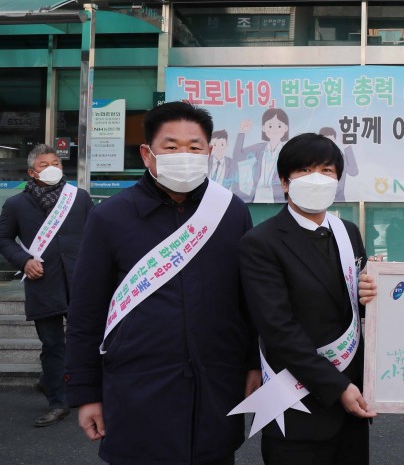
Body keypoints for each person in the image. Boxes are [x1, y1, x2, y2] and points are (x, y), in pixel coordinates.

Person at [65, 101, 261, 464]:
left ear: (209, 152)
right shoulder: (110, 217)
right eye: (171, 147)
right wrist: (85, 393)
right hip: (138, 390)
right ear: (147, 154)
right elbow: (85, 312)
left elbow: (246, 300)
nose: (184, 155)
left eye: (194, 147)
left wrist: (253, 364)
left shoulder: (231, 211)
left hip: (215, 388)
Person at [237, 133, 376, 465]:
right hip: (297, 407)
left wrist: (370, 294)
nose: (317, 179)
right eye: (305, 170)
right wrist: (337, 387)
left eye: (326, 170)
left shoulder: (348, 232)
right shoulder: (261, 242)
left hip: (352, 407)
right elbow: (278, 328)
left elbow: (351, 307)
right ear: (285, 182)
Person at [0, 144, 94, 427]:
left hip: (80, 281)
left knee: (85, 339)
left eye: (56, 163)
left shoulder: (78, 198)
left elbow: (96, 233)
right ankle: (58, 402)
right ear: (32, 172)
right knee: (52, 344)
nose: (52, 168)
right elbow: (4, 239)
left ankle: (64, 384)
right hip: (43, 282)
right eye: (44, 164)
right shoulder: (16, 204)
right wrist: (24, 261)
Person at [234, 108, 290, 203]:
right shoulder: (259, 149)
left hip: (280, 199)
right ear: (264, 128)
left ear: (285, 128)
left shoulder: (288, 151)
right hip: (256, 197)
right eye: (270, 126)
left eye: (279, 126)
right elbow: (238, 155)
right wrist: (242, 133)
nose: (274, 130)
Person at [318, 127, 359, 202]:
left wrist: (346, 146)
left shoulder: (341, 158)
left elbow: (353, 172)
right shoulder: (314, 159)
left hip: (339, 202)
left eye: (331, 140)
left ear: (335, 140)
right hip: (318, 201)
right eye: (325, 140)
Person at [208, 129, 240, 194]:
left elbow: (235, 188)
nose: (218, 148)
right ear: (211, 145)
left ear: (227, 145)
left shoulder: (233, 164)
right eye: (215, 144)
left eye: (222, 144)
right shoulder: (206, 160)